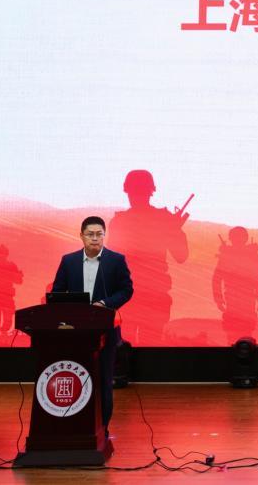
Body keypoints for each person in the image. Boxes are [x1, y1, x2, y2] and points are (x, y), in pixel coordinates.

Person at [51, 216, 134, 435]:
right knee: (77, 377)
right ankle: (75, 426)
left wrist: (106, 303)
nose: (95, 239)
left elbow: (127, 290)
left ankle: (103, 428)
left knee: (104, 380)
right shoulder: (68, 261)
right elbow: (57, 292)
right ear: (81, 236)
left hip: (106, 332)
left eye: (99, 234)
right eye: (90, 234)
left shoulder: (116, 260)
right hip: (75, 333)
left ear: (104, 236)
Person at [107, 170, 189, 345]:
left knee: (125, 348)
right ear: (151, 191)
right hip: (152, 295)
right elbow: (181, 256)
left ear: (127, 191)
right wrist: (175, 230)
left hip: (130, 295)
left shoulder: (120, 221)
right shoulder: (163, 219)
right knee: (150, 347)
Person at [211, 226, 258, 344]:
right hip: (240, 301)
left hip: (240, 301)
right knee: (240, 334)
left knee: (238, 334)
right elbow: (257, 279)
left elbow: (216, 279)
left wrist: (219, 299)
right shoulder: (249, 256)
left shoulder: (230, 255)